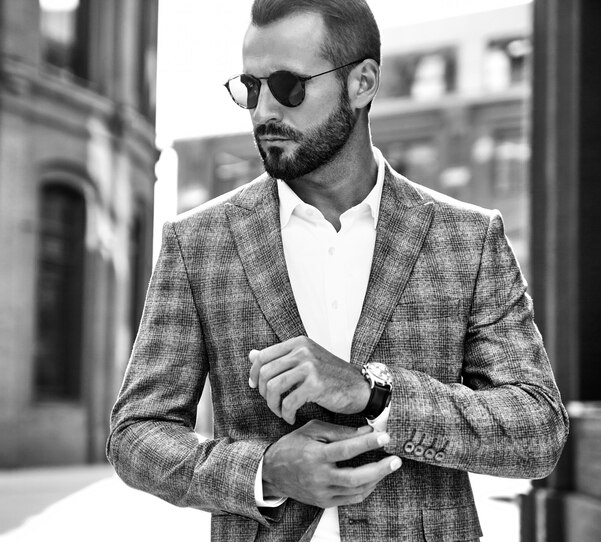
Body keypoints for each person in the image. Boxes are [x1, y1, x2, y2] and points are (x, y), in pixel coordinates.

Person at [106, 1, 569, 540]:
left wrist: (373, 395)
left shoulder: (467, 239)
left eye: (288, 85)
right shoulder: (199, 242)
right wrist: (263, 471)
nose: (263, 112)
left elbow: (538, 432)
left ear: (362, 83)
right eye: (251, 88)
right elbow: (136, 434)